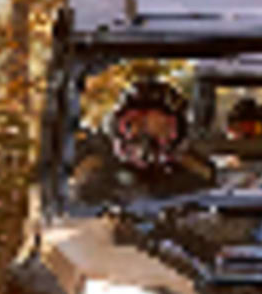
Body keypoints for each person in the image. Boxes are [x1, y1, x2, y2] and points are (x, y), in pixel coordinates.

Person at [76, 74, 208, 203]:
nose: (144, 137)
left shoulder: (190, 166)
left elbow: (211, 187)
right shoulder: (97, 157)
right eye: (133, 124)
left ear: (178, 134)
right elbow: (75, 192)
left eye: (161, 127)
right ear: (116, 127)